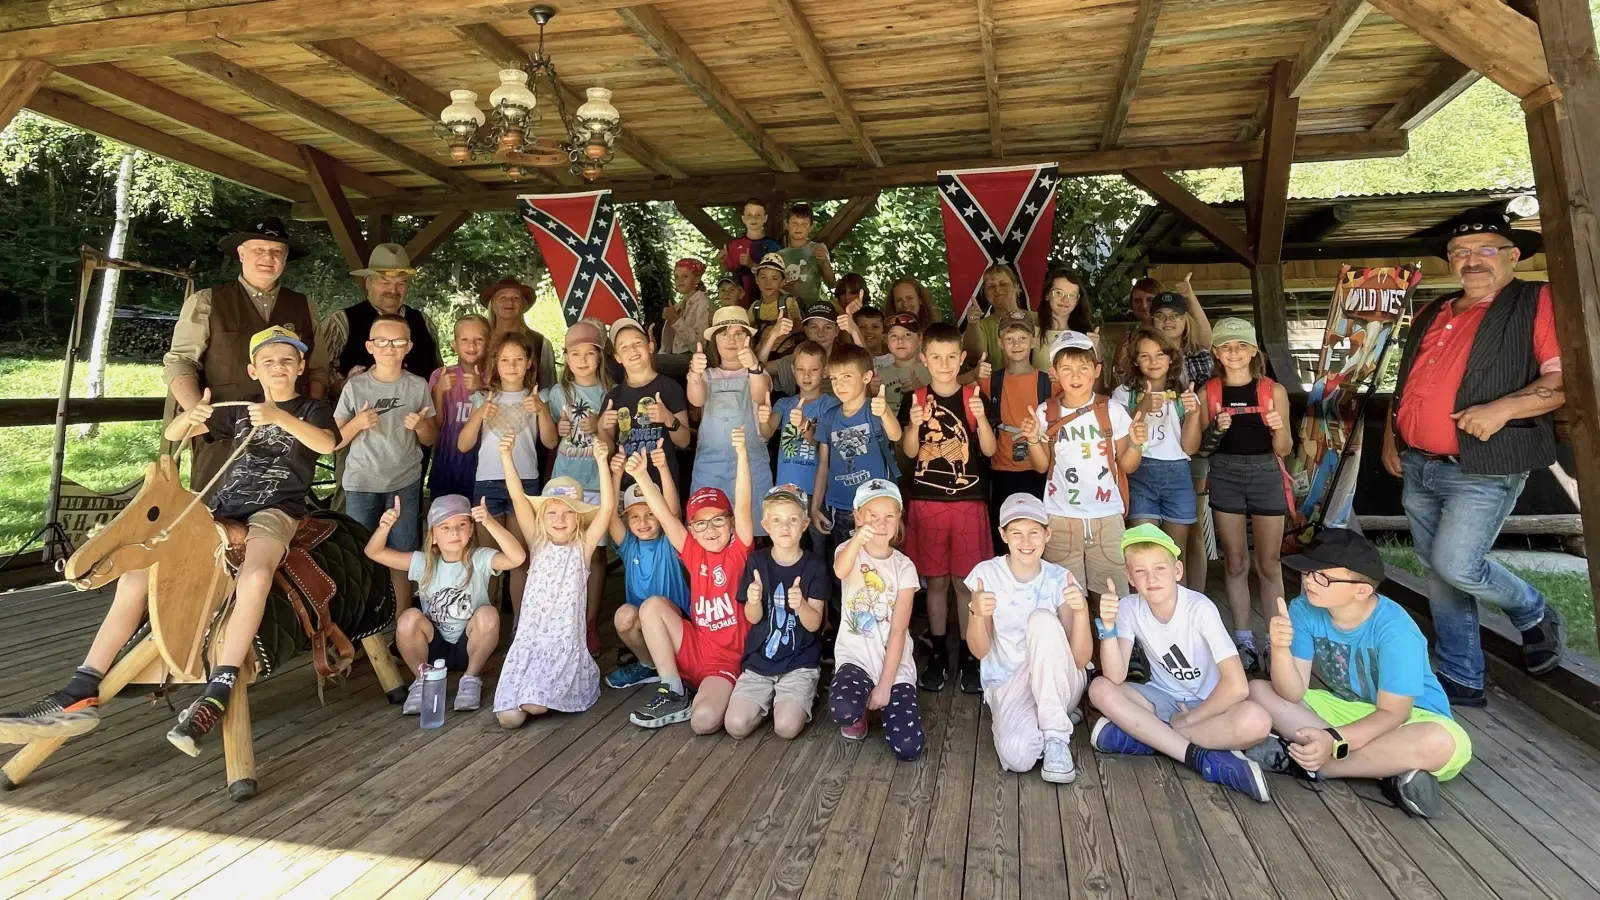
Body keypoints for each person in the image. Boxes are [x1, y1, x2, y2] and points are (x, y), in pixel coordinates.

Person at [0, 326, 338, 753]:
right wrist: (190, 415)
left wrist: (280, 417)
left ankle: (221, 685)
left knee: (255, 575)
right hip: (222, 507)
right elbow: (177, 435)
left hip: (276, 510)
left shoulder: (313, 408)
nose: (279, 368)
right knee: (139, 573)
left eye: (287, 360)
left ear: (301, 366)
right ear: (254, 370)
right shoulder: (238, 410)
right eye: (268, 362)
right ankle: (82, 685)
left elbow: (326, 444)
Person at [1381, 209, 1566, 707]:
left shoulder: (1535, 300)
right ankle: (1463, 678)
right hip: (1419, 461)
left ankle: (1532, 610)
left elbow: (1562, 381)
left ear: (1512, 255)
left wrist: (1505, 407)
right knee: (1436, 573)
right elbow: (1408, 383)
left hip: (1482, 464)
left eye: (1486, 249)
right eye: (1461, 252)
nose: (1472, 260)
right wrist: (1391, 436)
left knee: (1457, 565)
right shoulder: (1435, 310)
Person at [1246, 529, 1474, 818]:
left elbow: (1394, 714)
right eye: (1308, 572)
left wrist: (1332, 740)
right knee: (1259, 691)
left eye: (1323, 577)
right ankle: (1387, 769)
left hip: (1411, 718)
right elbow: (1293, 692)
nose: (1309, 582)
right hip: (1346, 710)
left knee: (1441, 742)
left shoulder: (1396, 630)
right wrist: (1279, 649)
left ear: (1362, 590)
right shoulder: (1304, 609)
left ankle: (1313, 764)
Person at [1086, 524, 1273, 801]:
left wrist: (1188, 720)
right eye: (1140, 571)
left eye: (1160, 569)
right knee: (1099, 689)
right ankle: (1202, 759)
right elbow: (1115, 676)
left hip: (1211, 706)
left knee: (1257, 722)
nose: (1151, 578)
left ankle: (1148, 738)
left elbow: (1237, 687)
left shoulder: (1200, 608)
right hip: (1164, 699)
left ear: (1177, 571)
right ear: (1130, 577)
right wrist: (1110, 627)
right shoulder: (1128, 607)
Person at [163, 217, 329, 492]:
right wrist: (198, 414)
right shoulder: (207, 301)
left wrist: (310, 415)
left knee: (279, 510)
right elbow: (180, 362)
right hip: (222, 433)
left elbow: (319, 366)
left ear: (285, 258)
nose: (268, 257)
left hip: (286, 432)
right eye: (259, 250)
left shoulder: (303, 305)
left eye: (277, 251)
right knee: (213, 513)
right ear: (241, 253)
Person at [626, 428, 757, 733]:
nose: (710, 529)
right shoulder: (693, 552)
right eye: (700, 523)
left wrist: (741, 457)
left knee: (703, 722)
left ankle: (700, 698)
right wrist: (643, 478)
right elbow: (665, 516)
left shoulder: (738, 551)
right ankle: (672, 688)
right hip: (694, 646)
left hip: (725, 660)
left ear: (731, 523)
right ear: (692, 528)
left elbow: (744, 504)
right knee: (652, 607)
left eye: (718, 521)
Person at [899, 322, 998, 693]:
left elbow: (988, 451)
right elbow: (911, 454)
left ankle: (971, 655)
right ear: (924, 359)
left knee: (966, 583)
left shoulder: (974, 396)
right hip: (928, 502)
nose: (943, 364)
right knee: (937, 582)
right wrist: (912, 425)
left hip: (969, 502)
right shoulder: (916, 397)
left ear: (962, 358)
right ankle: (940, 651)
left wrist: (982, 417)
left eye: (950, 357)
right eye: (935, 357)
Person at [965, 494, 1092, 783]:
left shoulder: (1061, 578)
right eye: (1017, 533)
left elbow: (1081, 659)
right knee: (1018, 758)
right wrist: (975, 613)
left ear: (1047, 534)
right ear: (1003, 535)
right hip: (1010, 683)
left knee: (1042, 620)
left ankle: (1057, 737)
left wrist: (1082, 612)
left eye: (1034, 532)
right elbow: (980, 650)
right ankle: (1054, 719)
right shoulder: (986, 574)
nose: (1026, 541)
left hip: (1059, 678)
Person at [365, 494, 523, 714]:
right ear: (433, 537)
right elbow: (373, 552)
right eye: (445, 527)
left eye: (461, 525)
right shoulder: (422, 562)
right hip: (432, 648)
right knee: (409, 617)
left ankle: (470, 678)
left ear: (471, 530)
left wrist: (489, 522)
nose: (455, 532)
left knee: (488, 614)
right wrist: (385, 526)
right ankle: (422, 680)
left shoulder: (480, 558)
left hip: (470, 646)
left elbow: (517, 558)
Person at [1197, 318, 1293, 674]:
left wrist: (1278, 428)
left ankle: (1275, 641)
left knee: (1269, 564)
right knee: (1235, 562)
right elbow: (1202, 450)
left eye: (1240, 345)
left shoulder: (1273, 391)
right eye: (1225, 346)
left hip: (1267, 472)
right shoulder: (1210, 392)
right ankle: (1244, 639)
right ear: (1216, 353)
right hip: (1225, 473)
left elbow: (1284, 449)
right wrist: (1213, 428)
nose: (1233, 352)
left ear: (1254, 350)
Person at [494, 443, 614, 726]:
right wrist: (506, 456)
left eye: (569, 513)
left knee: (533, 706)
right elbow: (517, 497)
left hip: (561, 646)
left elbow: (607, 508)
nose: (560, 519)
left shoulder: (583, 547)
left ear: (578, 519)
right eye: (552, 513)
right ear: (541, 518)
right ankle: (530, 690)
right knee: (508, 718)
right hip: (529, 643)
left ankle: (549, 690)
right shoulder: (538, 542)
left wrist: (600, 461)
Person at [1024, 331, 1146, 595]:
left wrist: (1136, 443)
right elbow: (1041, 466)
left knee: (1112, 597)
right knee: (1068, 598)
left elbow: (1128, 465)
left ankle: (1110, 638)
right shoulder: (1046, 412)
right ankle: (1078, 638)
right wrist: (1033, 439)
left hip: (1106, 517)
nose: (1076, 376)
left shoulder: (1112, 410)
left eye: (1083, 368)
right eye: (1066, 369)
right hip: (1060, 517)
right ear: (1053, 372)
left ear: (1097, 370)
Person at [335, 314, 436, 612]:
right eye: (381, 342)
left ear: (409, 347)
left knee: (404, 554)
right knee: (362, 553)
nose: (389, 348)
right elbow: (335, 440)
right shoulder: (355, 388)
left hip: (403, 483)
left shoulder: (417, 386)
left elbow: (430, 438)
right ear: (369, 346)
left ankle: (404, 621)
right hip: (361, 483)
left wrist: (420, 426)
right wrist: (358, 423)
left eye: (397, 342)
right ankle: (365, 627)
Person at [725, 484, 833, 740]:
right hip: (759, 663)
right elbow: (753, 618)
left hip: (799, 663)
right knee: (735, 725)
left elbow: (814, 624)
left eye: (792, 519)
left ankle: (795, 697)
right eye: (777, 520)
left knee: (785, 727)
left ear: (805, 524)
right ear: (766, 524)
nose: (785, 527)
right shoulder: (756, 562)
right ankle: (771, 700)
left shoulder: (815, 566)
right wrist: (753, 600)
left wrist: (801, 605)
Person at [829, 478, 924, 760]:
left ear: (898, 520)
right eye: (872, 516)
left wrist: (885, 685)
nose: (881, 524)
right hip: (856, 657)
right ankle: (860, 712)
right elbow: (840, 570)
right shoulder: (847, 551)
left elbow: (898, 631)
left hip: (893, 664)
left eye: (889, 517)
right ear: (858, 516)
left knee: (908, 747)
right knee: (843, 709)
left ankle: (881, 703)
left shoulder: (905, 566)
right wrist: (857, 540)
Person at [457, 332, 547, 616]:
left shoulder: (539, 398)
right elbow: (463, 444)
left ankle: (520, 625)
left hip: (524, 483)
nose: (512, 365)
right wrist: (479, 414)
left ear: (529, 363)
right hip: (488, 484)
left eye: (519, 359)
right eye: (505, 360)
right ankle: (487, 620)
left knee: (520, 556)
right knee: (488, 557)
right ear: (495, 363)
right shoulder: (481, 398)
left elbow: (551, 441)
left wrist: (542, 411)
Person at [542, 321, 613, 648]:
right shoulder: (558, 394)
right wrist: (557, 424)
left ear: (600, 357)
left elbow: (613, 445)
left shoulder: (610, 393)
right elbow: (550, 439)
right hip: (566, 485)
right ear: (566, 359)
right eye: (575, 354)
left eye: (589, 354)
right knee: (563, 554)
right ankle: (562, 619)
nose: (582, 360)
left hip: (597, 482)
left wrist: (598, 426)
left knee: (595, 555)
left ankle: (588, 623)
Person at [1143, 280, 1217, 593]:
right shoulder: (1144, 356)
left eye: (1176, 315)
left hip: (1192, 453)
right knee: (1152, 533)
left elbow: (1208, 337)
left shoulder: (1198, 357)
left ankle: (1194, 597)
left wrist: (1192, 294)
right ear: (1152, 321)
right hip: (1152, 455)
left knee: (1193, 528)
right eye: (1161, 315)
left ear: (1186, 321)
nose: (1169, 320)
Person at [604, 445, 688, 689]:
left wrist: (662, 467)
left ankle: (678, 668)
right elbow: (609, 515)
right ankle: (649, 664)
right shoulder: (630, 545)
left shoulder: (670, 542)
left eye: (650, 514)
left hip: (677, 626)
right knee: (623, 617)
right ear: (627, 521)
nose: (642, 522)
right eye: (635, 517)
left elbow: (672, 512)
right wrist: (616, 474)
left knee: (652, 608)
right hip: (644, 624)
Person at [1112, 328, 1201, 552]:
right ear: (1135, 362)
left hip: (1178, 474)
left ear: (1170, 358)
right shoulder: (1123, 394)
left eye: (1160, 354)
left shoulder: (1185, 395)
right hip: (1139, 472)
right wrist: (1142, 408)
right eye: (1145, 356)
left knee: (1175, 552)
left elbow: (1189, 448)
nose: (1153, 361)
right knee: (1144, 550)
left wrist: (1194, 414)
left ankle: (1179, 589)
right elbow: (1120, 441)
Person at [811, 344, 903, 563]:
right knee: (843, 570)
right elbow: (824, 465)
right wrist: (815, 507)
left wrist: (885, 412)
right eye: (833, 379)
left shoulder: (875, 409)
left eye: (846, 376)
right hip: (839, 507)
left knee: (878, 568)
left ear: (866, 377)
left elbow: (896, 435)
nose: (839, 384)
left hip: (876, 509)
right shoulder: (829, 417)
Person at [689, 307, 774, 527]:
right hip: (710, 464)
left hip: (751, 462)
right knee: (709, 528)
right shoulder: (706, 375)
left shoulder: (759, 373)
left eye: (739, 333)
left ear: (748, 338)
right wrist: (695, 375)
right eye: (724, 333)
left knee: (754, 529)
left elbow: (759, 394)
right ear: (714, 340)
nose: (731, 340)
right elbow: (696, 400)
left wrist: (753, 367)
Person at [318, 243, 443, 388]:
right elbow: (318, 373)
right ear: (368, 282)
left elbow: (438, 373)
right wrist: (344, 385)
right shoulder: (341, 322)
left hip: (418, 410)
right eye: (385, 282)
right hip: (361, 410)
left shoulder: (424, 322)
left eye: (401, 283)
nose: (393, 290)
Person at [600, 317, 692, 492]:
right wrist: (602, 429)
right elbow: (607, 451)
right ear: (618, 358)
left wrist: (668, 419)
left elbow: (684, 441)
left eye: (637, 342)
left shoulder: (669, 387)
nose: (632, 350)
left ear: (650, 346)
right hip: (627, 488)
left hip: (664, 485)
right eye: (624, 347)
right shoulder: (613, 397)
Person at [989, 309, 1053, 546]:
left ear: (1034, 340)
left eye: (1023, 338)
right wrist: (974, 373)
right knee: (1004, 534)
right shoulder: (991, 381)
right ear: (1000, 342)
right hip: (1002, 469)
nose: (1016, 344)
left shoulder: (1047, 381)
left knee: (1036, 531)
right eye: (1009, 338)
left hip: (1038, 468)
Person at [766, 341, 839, 541]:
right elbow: (765, 433)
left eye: (813, 369)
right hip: (785, 490)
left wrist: (805, 425)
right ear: (792, 371)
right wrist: (763, 417)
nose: (806, 376)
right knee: (787, 543)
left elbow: (820, 442)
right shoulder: (784, 403)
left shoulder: (830, 405)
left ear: (825, 371)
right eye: (800, 369)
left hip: (815, 491)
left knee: (818, 544)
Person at [427, 314, 491, 502]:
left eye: (479, 340)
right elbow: (436, 426)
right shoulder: (441, 375)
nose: (471, 346)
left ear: (489, 342)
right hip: (447, 465)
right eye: (464, 340)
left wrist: (482, 387)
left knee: (480, 523)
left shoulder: (496, 377)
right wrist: (438, 392)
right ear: (454, 344)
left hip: (484, 468)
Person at [478, 275, 558, 391]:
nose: (509, 302)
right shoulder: (480, 340)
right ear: (493, 305)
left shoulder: (540, 343)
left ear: (523, 306)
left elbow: (549, 387)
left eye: (516, 298)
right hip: (485, 406)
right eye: (503, 298)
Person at [963, 263, 1036, 379]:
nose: (997, 289)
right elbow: (975, 358)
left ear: (1016, 287)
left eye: (1003, 284)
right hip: (997, 392)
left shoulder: (1036, 319)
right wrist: (973, 325)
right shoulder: (982, 326)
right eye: (991, 287)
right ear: (986, 295)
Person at [761, 302, 845, 395]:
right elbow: (755, 370)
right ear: (806, 331)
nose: (820, 333)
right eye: (814, 327)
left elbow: (864, 369)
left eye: (828, 327)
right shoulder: (796, 360)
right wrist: (773, 335)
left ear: (837, 331)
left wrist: (854, 331)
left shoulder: (847, 361)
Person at [1032, 268, 1096, 373]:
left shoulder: (1085, 337)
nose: (1065, 300)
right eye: (1058, 292)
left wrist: (1097, 353)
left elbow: (1094, 383)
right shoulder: (1032, 333)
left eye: (1072, 295)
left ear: (1077, 301)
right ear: (1047, 294)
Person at [776, 202, 836, 307]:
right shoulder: (779, 256)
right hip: (788, 309)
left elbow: (831, 283)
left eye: (804, 224)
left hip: (814, 309)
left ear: (811, 227)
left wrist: (824, 263)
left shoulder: (818, 248)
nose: (799, 227)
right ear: (786, 224)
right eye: (794, 223)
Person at [874, 313, 929, 415]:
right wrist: (869, 392)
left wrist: (921, 389)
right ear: (886, 340)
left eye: (907, 335)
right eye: (894, 336)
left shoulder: (933, 370)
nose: (900, 340)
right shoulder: (878, 376)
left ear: (920, 338)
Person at [722, 197, 774, 306]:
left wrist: (752, 265)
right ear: (743, 218)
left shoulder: (773, 246)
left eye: (758, 215)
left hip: (768, 304)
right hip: (740, 305)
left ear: (765, 218)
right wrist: (722, 262)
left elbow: (777, 277)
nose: (753, 218)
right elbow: (728, 276)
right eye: (749, 215)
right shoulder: (734, 246)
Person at [752, 258, 802, 361]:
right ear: (757, 280)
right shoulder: (755, 307)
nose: (768, 283)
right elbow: (748, 334)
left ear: (783, 282)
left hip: (785, 354)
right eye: (763, 277)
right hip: (761, 353)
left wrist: (796, 318)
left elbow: (800, 334)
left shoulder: (789, 303)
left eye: (774, 278)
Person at [662, 258, 712, 355]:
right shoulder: (678, 306)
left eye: (685, 276)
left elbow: (700, 345)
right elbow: (667, 343)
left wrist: (675, 321)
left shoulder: (703, 303)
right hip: (674, 357)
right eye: (676, 277)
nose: (679, 280)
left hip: (693, 358)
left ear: (696, 279)